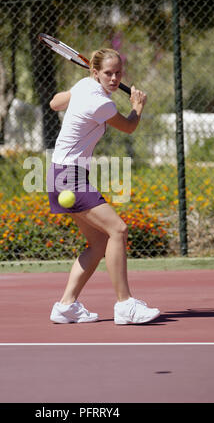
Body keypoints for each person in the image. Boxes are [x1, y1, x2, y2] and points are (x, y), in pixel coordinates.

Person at [46, 48, 160, 325]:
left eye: (118, 73)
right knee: (118, 230)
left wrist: (78, 92)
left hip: (60, 174)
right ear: (95, 72)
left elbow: (55, 103)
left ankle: (66, 306)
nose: (114, 78)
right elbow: (129, 126)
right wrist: (137, 106)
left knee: (98, 242)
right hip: (68, 176)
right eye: (108, 73)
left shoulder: (85, 86)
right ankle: (125, 305)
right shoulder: (100, 102)